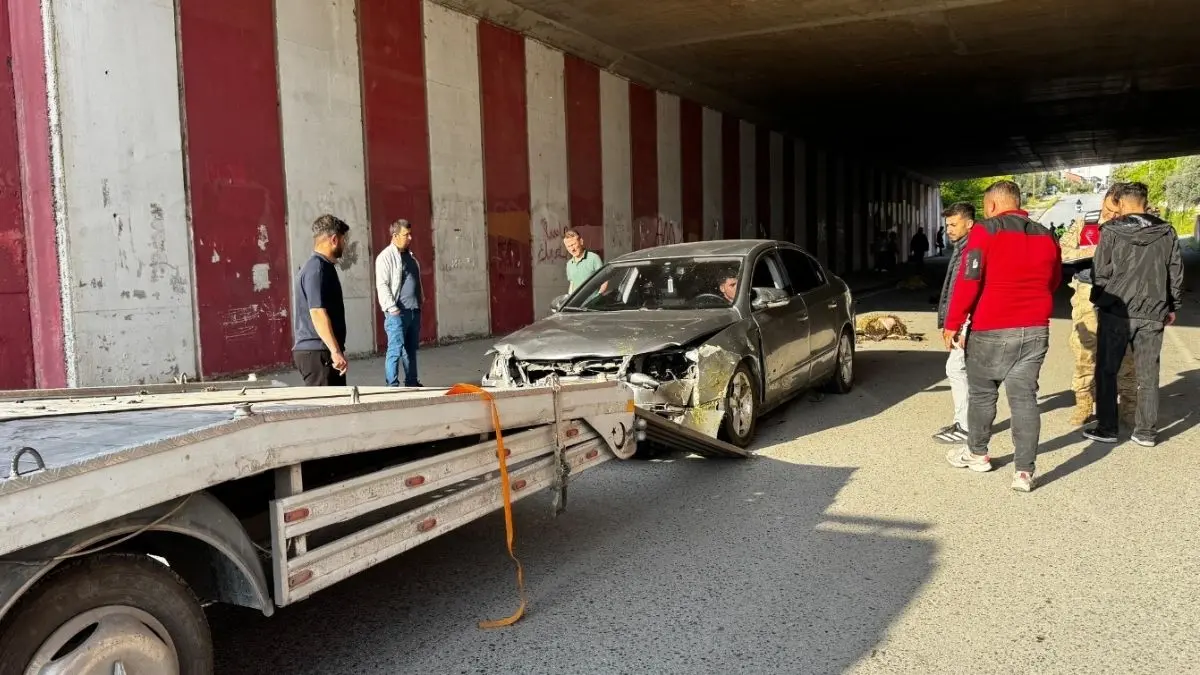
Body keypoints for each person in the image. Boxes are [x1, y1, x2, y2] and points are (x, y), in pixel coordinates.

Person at [942, 180, 1061, 492]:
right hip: (1035, 328)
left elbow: (970, 279)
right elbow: (1054, 279)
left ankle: (977, 453)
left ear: (992, 205)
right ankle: (1024, 472)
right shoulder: (1046, 234)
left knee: (982, 395)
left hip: (991, 328)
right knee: (1024, 399)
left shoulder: (985, 230)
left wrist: (953, 322)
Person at [1083, 182, 1185, 447]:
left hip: (1117, 312)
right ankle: (1146, 432)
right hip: (1153, 312)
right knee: (1148, 374)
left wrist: (1100, 300)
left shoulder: (1112, 231)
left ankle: (1107, 428)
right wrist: (1172, 306)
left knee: (1107, 370)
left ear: (1123, 203)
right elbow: (1175, 271)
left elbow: (1100, 272)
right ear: (1144, 200)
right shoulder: (1167, 231)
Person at [1060, 185, 1137, 427]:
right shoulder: (1087, 222)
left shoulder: (1133, 225)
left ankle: (1128, 408)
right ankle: (1084, 404)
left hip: (1122, 294)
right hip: (1086, 292)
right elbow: (1063, 252)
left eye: (1118, 212)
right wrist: (1097, 250)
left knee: (1126, 352)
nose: (1113, 216)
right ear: (1104, 201)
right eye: (1110, 210)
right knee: (1085, 351)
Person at [931, 202, 976, 444]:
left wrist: (957, 324)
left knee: (956, 369)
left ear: (969, 223)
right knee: (960, 369)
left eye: (953, 224)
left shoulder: (971, 249)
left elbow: (965, 289)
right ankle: (965, 422)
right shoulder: (961, 247)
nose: (948, 229)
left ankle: (965, 426)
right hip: (963, 320)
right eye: (947, 224)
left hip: (967, 321)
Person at [293, 214, 351, 386]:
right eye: (343, 240)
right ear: (334, 239)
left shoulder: (322, 267)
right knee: (328, 408)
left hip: (320, 352)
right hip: (318, 353)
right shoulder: (317, 269)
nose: (345, 245)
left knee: (336, 408)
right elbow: (317, 312)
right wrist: (334, 351)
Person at [374, 219, 425, 387]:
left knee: (411, 350)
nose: (410, 238)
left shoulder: (410, 256)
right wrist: (392, 308)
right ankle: (392, 386)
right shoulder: (385, 257)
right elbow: (382, 285)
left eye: (411, 234)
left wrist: (420, 300)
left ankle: (412, 382)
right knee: (395, 350)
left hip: (413, 310)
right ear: (395, 235)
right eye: (406, 234)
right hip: (398, 313)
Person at [563, 228, 603, 294]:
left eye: (573, 244)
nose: (572, 249)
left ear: (581, 241)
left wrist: (598, 297)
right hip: (577, 304)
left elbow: (604, 280)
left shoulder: (594, 258)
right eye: (568, 246)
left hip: (593, 303)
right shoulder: (569, 264)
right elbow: (572, 284)